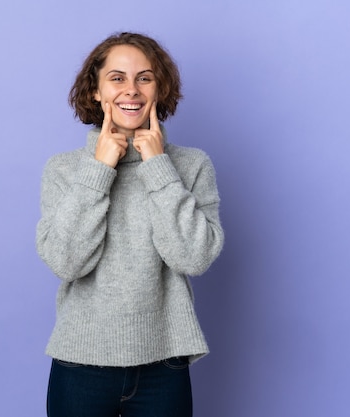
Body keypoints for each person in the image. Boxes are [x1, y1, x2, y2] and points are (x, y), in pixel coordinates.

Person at [36, 32, 224, 417]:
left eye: (145, 77)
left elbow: (194, 258)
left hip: (163, 364)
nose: (131, 90)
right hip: (80, 364)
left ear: (160, 89)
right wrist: (99, 168)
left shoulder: (191, 165)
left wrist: (157, 166)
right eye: (117, 78)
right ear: (96, 92)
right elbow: (66, 262)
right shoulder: (64, 169)